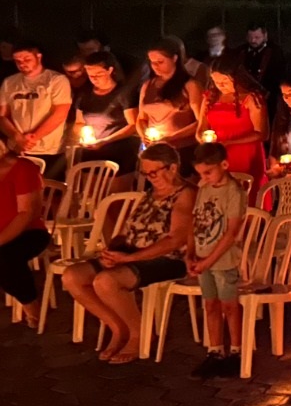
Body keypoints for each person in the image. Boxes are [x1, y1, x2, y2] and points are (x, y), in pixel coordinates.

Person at [62, 143, 195, 365]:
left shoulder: (185, 194)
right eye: (145, 173)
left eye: (154, 172)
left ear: (172, 168)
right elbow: (127, 230)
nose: (150, 177)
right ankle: (117, 327)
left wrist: (130, 258)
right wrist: (113, 249)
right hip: (131, 253)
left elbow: (175, 239)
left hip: (168, 259)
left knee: (106, 281)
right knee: (72, 276)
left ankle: (139, 333)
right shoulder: (151, 193)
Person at [187, 143, 247, 378]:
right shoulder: (204, 188)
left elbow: (231, 233)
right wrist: (190, 254)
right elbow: (196, 222)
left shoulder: (234, 192)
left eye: (208, 172)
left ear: (224, 165)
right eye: (201, 173)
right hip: (203, 257)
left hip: (222, 259)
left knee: (229, 306)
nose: (204, 177)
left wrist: (208, 261)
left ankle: (236, 351)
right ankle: (214, 350)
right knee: (210, 304)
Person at [195, 52, 269, 196]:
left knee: (244, 195)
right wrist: (204, 143)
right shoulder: (210, 97)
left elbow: (262, 133)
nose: (220, 85)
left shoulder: (251, 98)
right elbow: (201, 129)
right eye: (216, 81)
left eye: (225, 81)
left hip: (245, 154)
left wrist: (229, 142)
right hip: (218, 155)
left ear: (237, 77)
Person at [0, 43, 72, 176]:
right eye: (18, 61)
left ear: (38, 57)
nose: (22, 64)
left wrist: (33, 138)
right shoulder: (9, 82)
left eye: (27, 59)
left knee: (49, 192)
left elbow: (60, 113)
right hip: (17, 149)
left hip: (48, 150)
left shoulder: (56, 80)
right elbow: (2, 116)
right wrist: (17, 137)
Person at [0, 147, 48, 328]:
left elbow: (26, 214)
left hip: (28, 232)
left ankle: (30, 303)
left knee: (5, 258)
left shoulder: (22, 168)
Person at [136, 42, 206, 156]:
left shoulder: (190, 85)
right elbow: (141, 119)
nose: (155, 66)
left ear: (174, 58)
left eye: (160, 62)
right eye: (152, 62)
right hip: (153, 149)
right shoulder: (148, 85)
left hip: (181, 149)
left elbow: (201, 122)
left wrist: (171, 138)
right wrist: (144, 135)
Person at [74, 51, 139, 172]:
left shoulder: (124, 94)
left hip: (118, 153)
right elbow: (79, 123)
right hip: (90, 154)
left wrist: (105, 141)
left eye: (98, 74)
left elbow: (133, 125)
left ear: (110, 70)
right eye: (90, 75)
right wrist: (83, 136)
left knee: (116, 190)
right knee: (90, 190)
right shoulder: (84, 95)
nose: (94, 78)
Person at [241, 24, 282, 108]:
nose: (253, 40)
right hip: (245, 98)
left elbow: (279, 77)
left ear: (265, 36)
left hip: (268, 99)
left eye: (257, 37)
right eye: (250, 37)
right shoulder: (241, 52)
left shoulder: (275, 53)